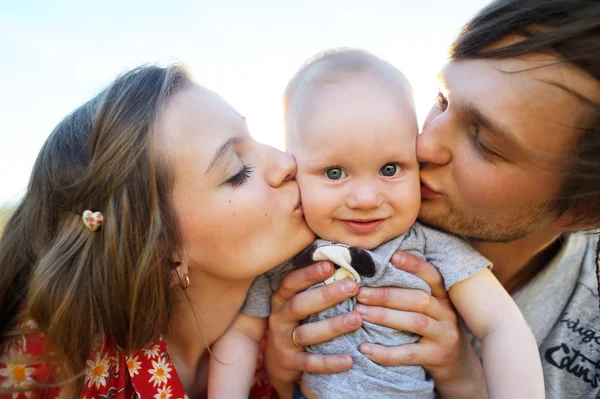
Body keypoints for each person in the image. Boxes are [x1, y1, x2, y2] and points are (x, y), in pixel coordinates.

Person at [262, 1, 600, 398]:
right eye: (441, 100)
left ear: (583, 210)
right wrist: (279, 369)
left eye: (484, 142)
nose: (424, 144)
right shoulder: (301, 229)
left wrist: (464, 381)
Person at [211, 49, 544, 399]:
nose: (366, 198)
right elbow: (242, 334)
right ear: (294, 171)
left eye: (390, 169)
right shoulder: (290, 252)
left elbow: (502, 325)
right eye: (334, 173)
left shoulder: (427, 247)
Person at [0, 63, 317, 398]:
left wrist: (289, 385)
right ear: (162, 250)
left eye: (255, 139)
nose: (286, 162)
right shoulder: (47, 372)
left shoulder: (310, 310)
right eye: (237, 171)